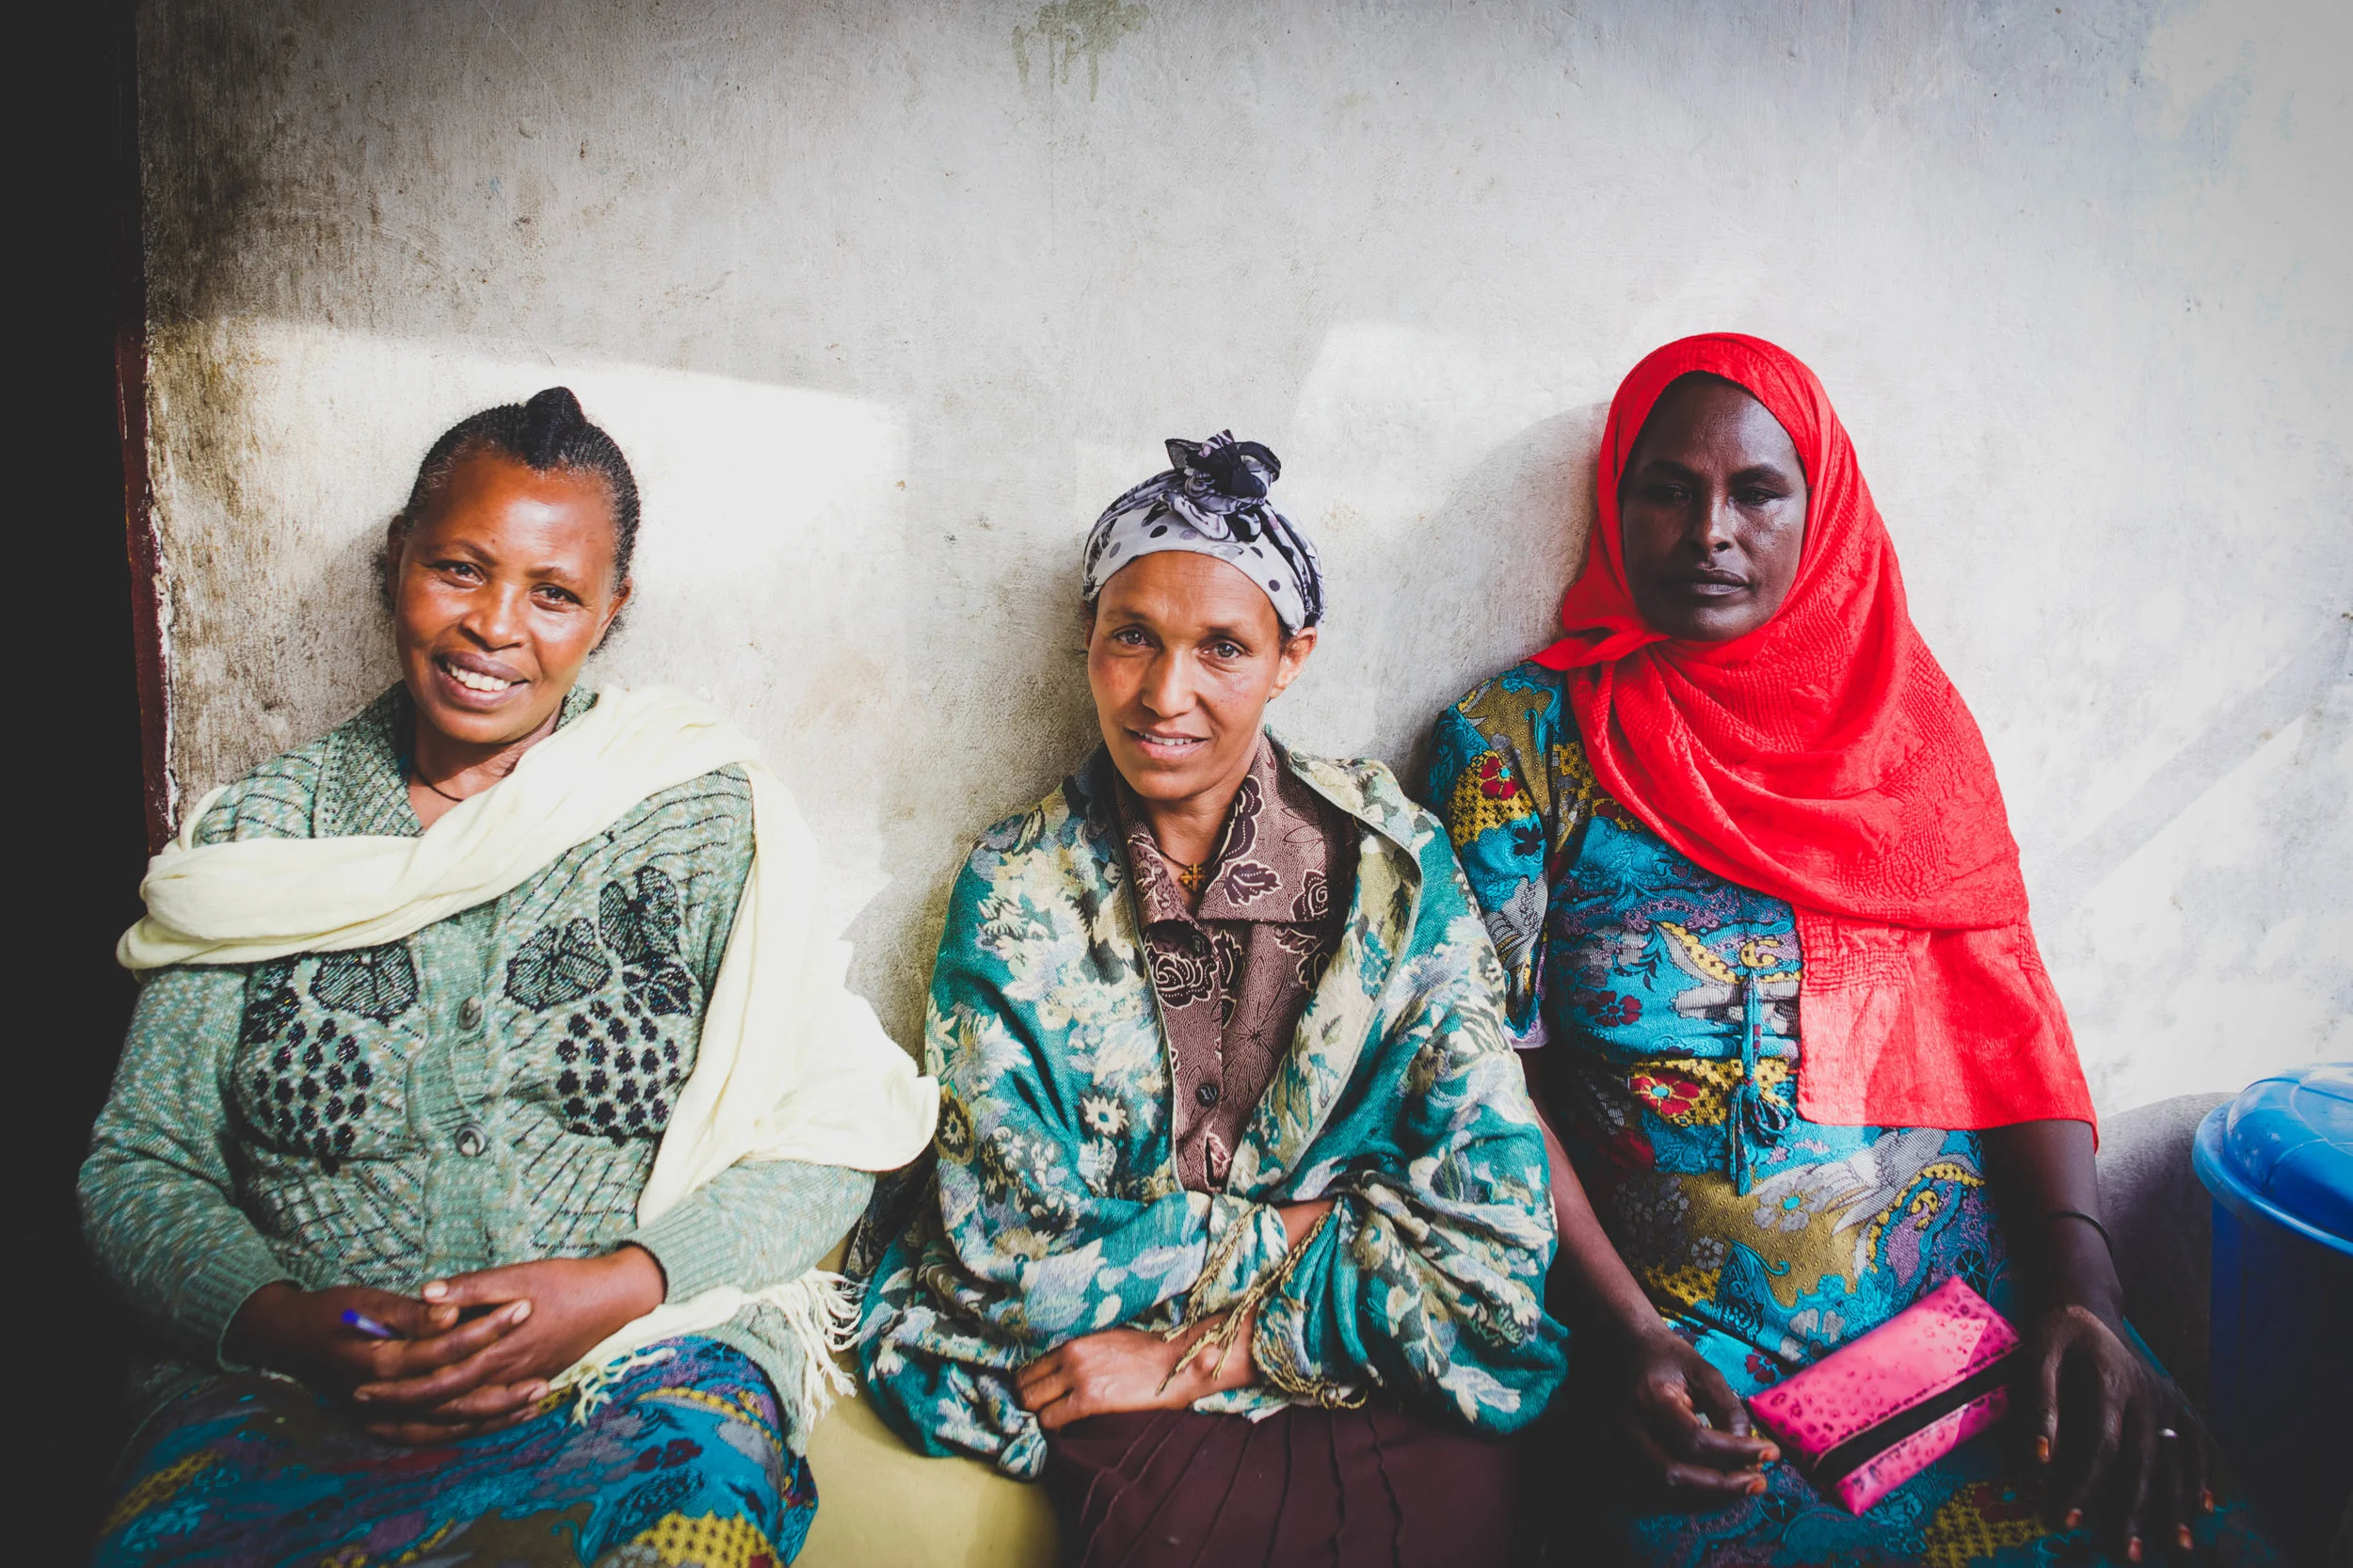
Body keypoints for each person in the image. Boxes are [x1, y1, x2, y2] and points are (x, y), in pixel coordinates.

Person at [1425, 335, 2279, 1565]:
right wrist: (1624, 1339)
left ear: (1820, 511)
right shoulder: (1520, 745)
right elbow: (1480, 1073)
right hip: (1693, 1352)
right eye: (1667, 489)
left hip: (1980, 1314)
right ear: (1615, 500)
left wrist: (2087, 1298)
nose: (1709, 531)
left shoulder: (1903, 729)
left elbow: (2009, 1028)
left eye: (1755, 492)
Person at [83, 388, 937, 1566]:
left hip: (632, 1383)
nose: (493, 626)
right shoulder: (263, 838)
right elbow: (141, 1161)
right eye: (459, 569)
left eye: (553, 594)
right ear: (397, 560)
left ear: (610, 610)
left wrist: (618, 1287)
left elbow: (827, 1135)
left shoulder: (692, 815)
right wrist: (290, 1322)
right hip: (287, 1406)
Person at [853, 434, 1565, 1565]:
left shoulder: (1389, 872)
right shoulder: (1018, 888)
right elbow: (1010, 1256)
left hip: (1356, 1369)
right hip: (1112, 1379)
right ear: (1088, 635)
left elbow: (1493, 1226)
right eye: (1131, 635)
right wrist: (1323, 1229)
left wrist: (1218, 1348)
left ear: (1290, 658)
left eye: (1222, 647)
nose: (1163, 694)